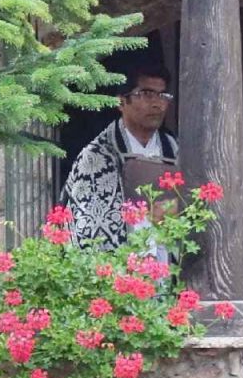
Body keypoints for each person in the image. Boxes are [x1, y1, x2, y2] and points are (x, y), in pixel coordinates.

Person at [60, 63, 179, 248]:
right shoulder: (95, 157)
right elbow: (86, 230)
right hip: (119, 262)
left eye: (163, 96)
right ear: (121, 102)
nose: (157, 104)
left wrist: (176, 207)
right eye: (147, 94)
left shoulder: (177, 151)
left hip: (166, 258)